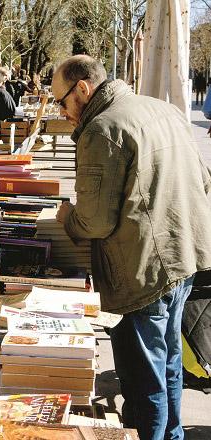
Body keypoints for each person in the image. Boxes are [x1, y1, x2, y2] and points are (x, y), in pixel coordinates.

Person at [53, 55, 211, 440]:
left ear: (83, 89)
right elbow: (204, 180)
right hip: (183, 257)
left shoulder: (102, 129)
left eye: (61, 101)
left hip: (143, 271)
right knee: (169, 361)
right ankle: (170, 434)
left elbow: (95, 221)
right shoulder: (164, 110)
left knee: (145, 377)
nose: (63, 111)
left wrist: (65, 217)